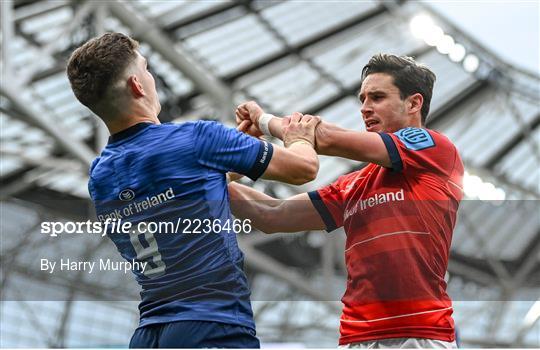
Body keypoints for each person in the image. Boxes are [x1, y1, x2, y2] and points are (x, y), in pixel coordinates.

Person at [66, 32, 321, 348]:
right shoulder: (198, 138)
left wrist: (234, 152)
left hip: (150, 335)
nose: (152, 78)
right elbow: (303, 169)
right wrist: (297, 134)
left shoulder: (100, 177)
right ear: (136, 84)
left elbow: (185, 191)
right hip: (214, 328)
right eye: (147, 69)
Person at [230, 53, 464, 348]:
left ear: (414, 103)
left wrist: (264, 122)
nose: (365, 108)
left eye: (377, 97)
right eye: (363, 99)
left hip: (419, 335)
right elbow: (272, 213)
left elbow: (326, 138)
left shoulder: (433, 148)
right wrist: (203, 180)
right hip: (356, 338)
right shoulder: (355, 183)